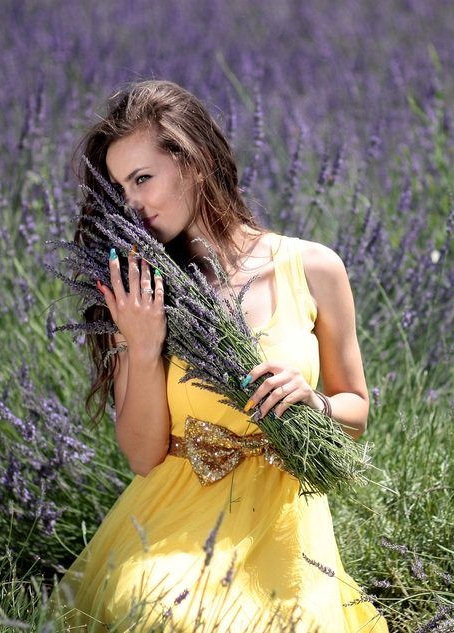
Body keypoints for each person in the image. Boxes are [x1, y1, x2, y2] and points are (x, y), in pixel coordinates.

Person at [57, 80, 388, 632]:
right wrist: (141, 347)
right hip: (174, 516)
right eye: (120, 189)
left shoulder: (312, 267)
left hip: (284, 523)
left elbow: (357, 408)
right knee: (166, 618)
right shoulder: (142, 286)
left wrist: (317, 407)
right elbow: (142, 456)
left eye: (143, 178)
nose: (132, 204)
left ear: (194, 162)